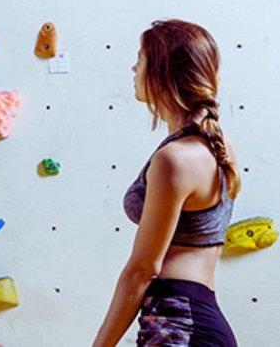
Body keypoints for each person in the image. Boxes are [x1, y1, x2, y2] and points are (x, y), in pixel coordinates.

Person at [92, 20, 240, 346]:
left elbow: (143, 269)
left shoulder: (175, 159)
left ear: (161, 72)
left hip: (180, 326)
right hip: (189, 321)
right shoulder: (219, 145)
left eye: (140, 59)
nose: (133, 69)